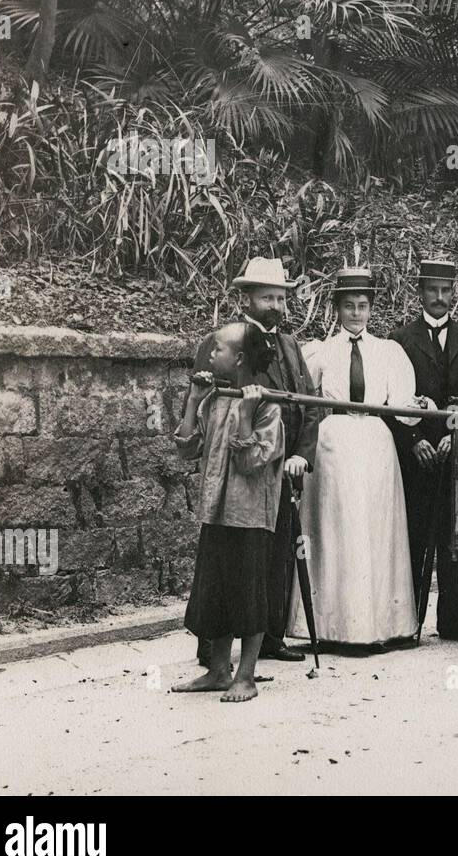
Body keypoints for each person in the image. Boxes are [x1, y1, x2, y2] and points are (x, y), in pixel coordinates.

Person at [189, 257, 323, 666]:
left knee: (276, 553)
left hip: (281, 466)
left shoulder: (290, 345)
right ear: (246, 298)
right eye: (268, 297)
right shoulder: (222, 344)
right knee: (230, 562)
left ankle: (269, 638)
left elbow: (308, 404)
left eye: (281, 298)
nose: (277, 306)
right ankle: (214, 651)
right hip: (239, 471)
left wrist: (300, 454)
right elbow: (203, 410)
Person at [287, 267, 422, 650]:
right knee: (336, 529)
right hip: (334, 445)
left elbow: (402, 408)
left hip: (376, 445)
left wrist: (419, 407)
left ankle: (380, 626)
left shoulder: (388, 352)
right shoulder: (320, 352)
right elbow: (306, 404)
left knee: (375, 529)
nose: (356, 314)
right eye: (349, 306)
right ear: (336, 309)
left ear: (371, 309)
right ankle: (334, 628)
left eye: (363, 306)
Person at [389, 257, 458, 643]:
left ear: (454, 294)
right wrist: (415, 439)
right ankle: (409, 624)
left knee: (457, 540)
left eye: (445, 291)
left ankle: (454, 621)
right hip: (416, 458)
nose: (439, 298)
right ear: (420, 293)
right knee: (415, 537)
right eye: (432, 291)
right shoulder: (400, 340)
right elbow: (389, 402)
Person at [172, 323, 284, 702]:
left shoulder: (268, 405)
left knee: (249, 596)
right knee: (216, 593)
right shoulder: (213, 398)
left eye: (217, 349)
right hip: (216, 511)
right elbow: (186, 449)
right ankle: (219, 670)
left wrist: (248, 414)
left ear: (238, 359)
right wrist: (192, 399)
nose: (210, 356)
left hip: (251, 515)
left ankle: (247, 676)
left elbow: (253, 461)